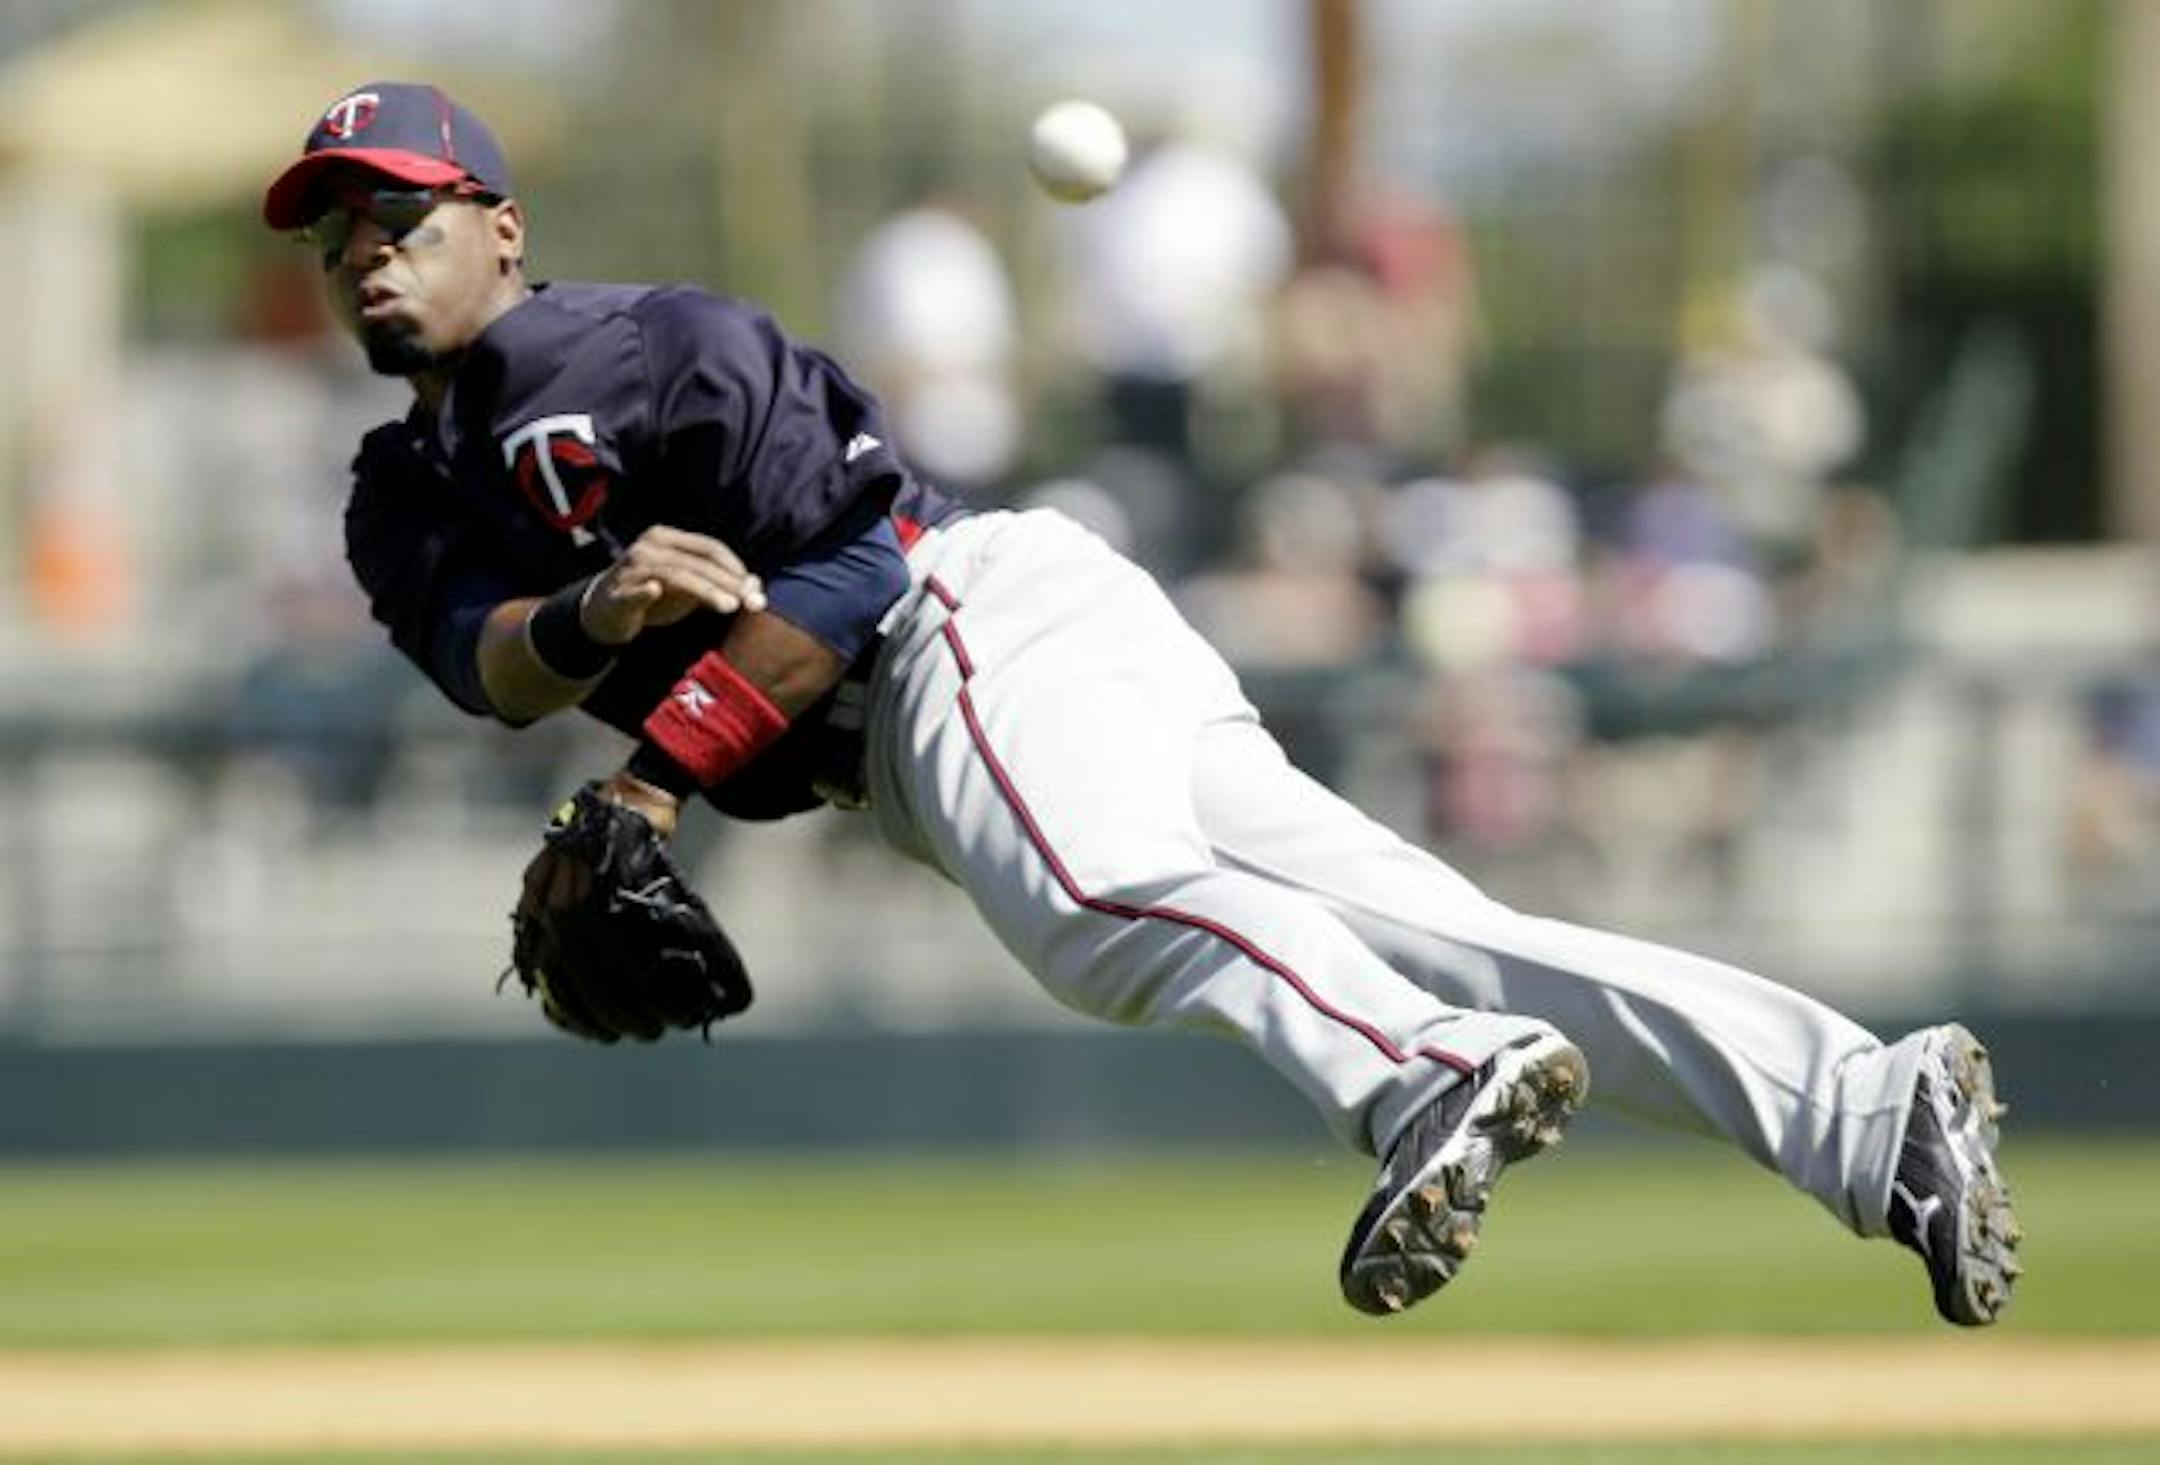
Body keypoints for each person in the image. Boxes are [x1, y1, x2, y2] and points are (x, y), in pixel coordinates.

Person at [261, 83, 2022, 1326]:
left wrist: (651, 792)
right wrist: (599, 602)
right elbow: (488, 666)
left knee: (1099, 909)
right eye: (338, 230)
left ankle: (1425, 1073)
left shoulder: (666, 346)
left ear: (500, 224)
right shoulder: (391, 490)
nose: (365, 251)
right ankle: (1867, 1109)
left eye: (400, 212)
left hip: (973, 626)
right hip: (990, 681)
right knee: (1438, 921)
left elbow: (859, 561)